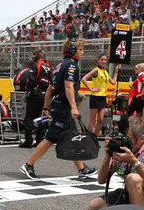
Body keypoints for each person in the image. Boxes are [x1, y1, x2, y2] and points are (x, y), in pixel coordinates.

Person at [18, 37, 96, 179]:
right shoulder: (71, 66)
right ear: (73, 50)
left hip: (59, 107)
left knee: (73, 137)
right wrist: (73, 107)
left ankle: (82, 169)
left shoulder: (59, 66)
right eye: (80, 49)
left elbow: (49, 89)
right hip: (64, 109)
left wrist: (46, 108)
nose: (83, 53)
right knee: (50, 138)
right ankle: (28, 165)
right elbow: (68, 86)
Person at [18, 49, 51, 148]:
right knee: (42, 117)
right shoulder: (48, 67)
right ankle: (39, 141)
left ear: (35, 56)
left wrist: (27, 91)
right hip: (45, 95)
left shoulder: (35, 65)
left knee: (29, 117)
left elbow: (31, 81)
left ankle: (28, 141)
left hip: (35, 94)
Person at [80, 53, 118, 136]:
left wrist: (116, 72)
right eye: (102, 59)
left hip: (103, 98)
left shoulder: (105, 72)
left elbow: (113, 82)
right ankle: (89, 138)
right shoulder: (96, 70)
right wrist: (91, 89)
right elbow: (83, 79)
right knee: (92, 120)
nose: (103, 61)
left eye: (105, 60)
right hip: (95, 97)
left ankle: (95, 138)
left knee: (100, 119)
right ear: (98, 60)